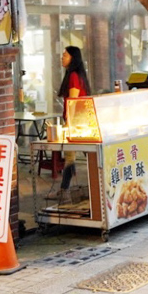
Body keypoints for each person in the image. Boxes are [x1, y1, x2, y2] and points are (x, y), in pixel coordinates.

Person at [49, 46, 90, 199]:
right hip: (82, 121)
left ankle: (64, 191)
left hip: (76, 122)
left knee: (70, 157)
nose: (62, 57)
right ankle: (65, 190)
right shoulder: (77, 75)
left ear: (73, 58)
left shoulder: (73, 76)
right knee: (84, 155)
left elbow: (73, 102)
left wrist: (69, 125)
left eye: (65, 55)